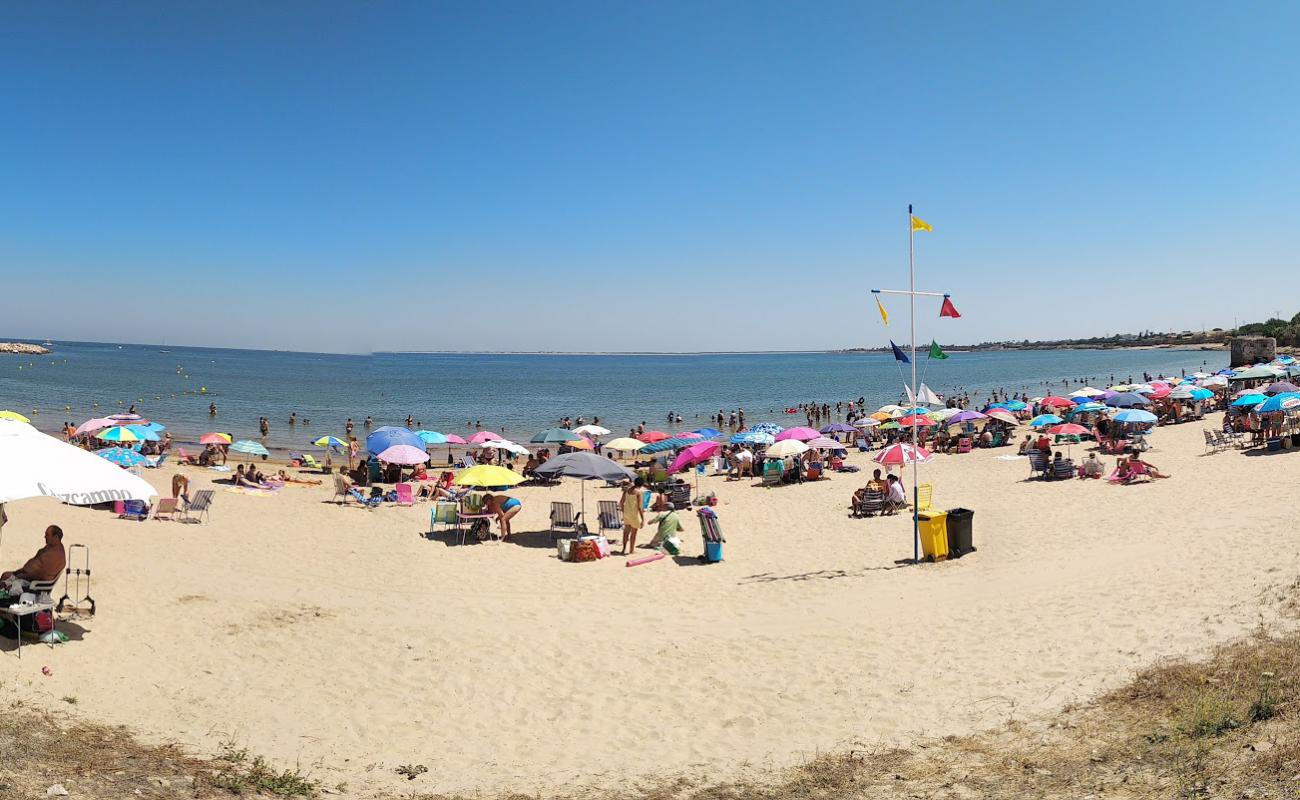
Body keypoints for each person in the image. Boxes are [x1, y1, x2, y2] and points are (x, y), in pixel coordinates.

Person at [1, 525, 66, 592]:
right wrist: (19, 572)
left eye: (47, 535)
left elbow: (39, 575)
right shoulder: (53, 547)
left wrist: (20, 576)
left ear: (55, 537)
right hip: (29, 576)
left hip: (34, 584)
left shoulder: (55, 554)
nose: (45, 537)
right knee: (6, 575)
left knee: (5, 578)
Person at [620, 477, 647, 555]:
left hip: (627, 513)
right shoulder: (638, 492)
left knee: (626, 532)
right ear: (641, 485)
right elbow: (639, 507)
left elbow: (621, 502)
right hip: (634, 515)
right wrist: (642, 518)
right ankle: (631, 550)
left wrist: (623, 511)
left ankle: (623, 549)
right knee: (633, 533)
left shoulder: (627, 490)